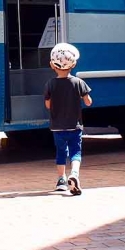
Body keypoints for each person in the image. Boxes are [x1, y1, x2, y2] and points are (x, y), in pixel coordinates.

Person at [44, 42, 92, 195]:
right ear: (74, 64)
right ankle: (75, 174)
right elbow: (88, 102)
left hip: (57, 127)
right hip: (75, 126)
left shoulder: (50, 84)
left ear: (52, 65)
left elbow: (47, 105)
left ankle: (61, 180)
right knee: (75, 152)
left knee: (60, 152)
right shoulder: (78, 82)